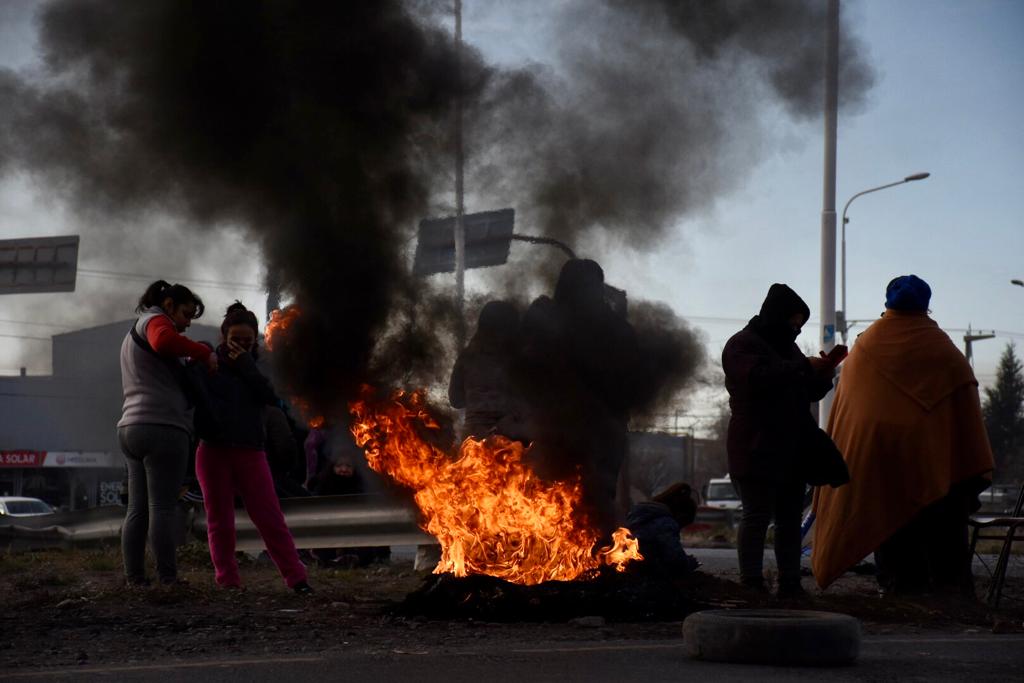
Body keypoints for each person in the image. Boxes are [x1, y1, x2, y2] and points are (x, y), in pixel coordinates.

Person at [812, 275, 994, 596]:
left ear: (887, 303)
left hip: (879, 461)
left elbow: (850, 412)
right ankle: (948, 590)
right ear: (926, 305)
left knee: (888, 519)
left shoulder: (866, 347)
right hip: (936, 465)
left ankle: (899, 586)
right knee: (942, 527)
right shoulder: (943, 351)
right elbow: (965, 409)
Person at [722, 283, 835, 597]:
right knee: (756, 515)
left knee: (788, 520)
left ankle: (790, 584)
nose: (796, 329)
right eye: (793, 322)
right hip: (755, 446)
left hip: (790, 448)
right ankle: (752, 585)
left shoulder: (789, 350)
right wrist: (802, 368)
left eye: (800, 324)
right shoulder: (741, 345)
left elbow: (804, 391)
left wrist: (823, 376)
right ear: (777, 316)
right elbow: (758, 378)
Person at [195, 302, 312, 594]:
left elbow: (271, 398)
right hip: (213, 450)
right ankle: (228, 580)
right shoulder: (210, 362)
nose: (242, 345)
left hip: (250, 450)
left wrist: (247, 365)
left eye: (248, 340)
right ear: (224, 336)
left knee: (270, 517)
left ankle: (297, 578)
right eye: (236, 339)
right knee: (220, 520)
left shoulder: (259, 366)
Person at [118, 279, 216, 586]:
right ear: (170, 306)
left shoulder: (135, 330)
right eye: (186, 314)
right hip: (162, 426)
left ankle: (134, 577)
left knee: (137, 509)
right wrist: (202, 352)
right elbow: (164, 341)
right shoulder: (157, 321)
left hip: (130, 427)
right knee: (162, 507)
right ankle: (168, 577)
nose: (187, 324)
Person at [448, 300, 523, 441]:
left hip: (473, 441)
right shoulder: (517, 357)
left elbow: (455, 400)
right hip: (510, 441)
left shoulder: (467, 356)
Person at [625, 482, 701, 578]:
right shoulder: (666, 524)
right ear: (680, 515)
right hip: (648, 575)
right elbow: (676, 560)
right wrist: (690, 562)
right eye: (682, 524)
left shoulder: (637, 514)